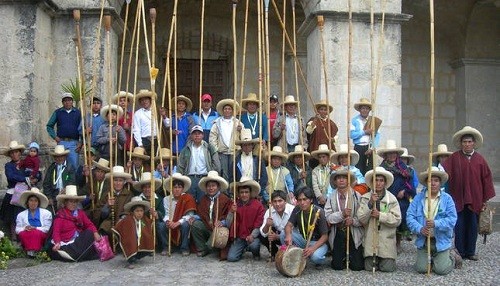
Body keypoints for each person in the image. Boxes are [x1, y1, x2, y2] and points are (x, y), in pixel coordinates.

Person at [442, 126, 495, 261]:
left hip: (475, 198)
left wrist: (484, 200)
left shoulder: (480, 160)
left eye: (469, 141)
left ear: (474, 143)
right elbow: (444, 175)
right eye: (464, 142)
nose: (467, 144)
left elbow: (486, 180)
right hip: (458, 197)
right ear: (461, 143)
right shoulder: (454, 158)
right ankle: (459, 251)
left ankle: (470, 251)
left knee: (472, 225)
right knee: (459, 225)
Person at [407, 167, 459, 275]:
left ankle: (451, 257)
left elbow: (452, 219)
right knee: (421, 269)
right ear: (426, 183)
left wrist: (436, 223)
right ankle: (431, 259)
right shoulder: (418, 198)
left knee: (441, 270)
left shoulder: (447, 199)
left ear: (440, 183)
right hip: (424, 241)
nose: (433, 184)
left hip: (441, 240)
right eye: (430, 181)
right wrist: (420, 228)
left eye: (436, 181)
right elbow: (409, 217)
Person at [357, 167, 401, 272]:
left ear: (385, 182)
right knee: (369, 268)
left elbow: (397, 219)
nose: (378, 183)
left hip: (386, 240)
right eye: (376, 180)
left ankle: (387, 259)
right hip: (370, 240)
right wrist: (370, 203)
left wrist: (380, 216)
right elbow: (361, 218)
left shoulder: (392, 199)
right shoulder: (365, 198)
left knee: (387, 268)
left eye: (381, 180)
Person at [378, 139, 416, 249]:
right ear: (385, 155)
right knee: (386, 216)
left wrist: (404, 191)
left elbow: (410, 183)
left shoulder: (403, 167)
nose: (392, 155)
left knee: (400, 216)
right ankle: (386, 241)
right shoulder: (381, 168)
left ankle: (398, 242)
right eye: (389, 153)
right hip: (386, 196)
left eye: (393, 153)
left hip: (400, 198)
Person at [324, 170, 364, 271]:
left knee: (357, 266)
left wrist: (353, 221)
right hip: (338, 231)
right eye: (338, 178)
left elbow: (363, 218)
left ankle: (352, 255)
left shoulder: (357, 196)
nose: (341, 180)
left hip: (353, 232)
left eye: (344, 177)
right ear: (335, 181)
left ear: (349, 180)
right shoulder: (331, 197)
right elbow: (328, 217)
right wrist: (341, 214)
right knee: (337, 266)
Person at [50, 185, 101, 262]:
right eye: (71, 201)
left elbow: (89, 224)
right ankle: (78, 254)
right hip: (67, 242)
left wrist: (95, 232)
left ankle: (77, 255)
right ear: (65, 202)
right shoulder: (60, 216)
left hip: (78, 240)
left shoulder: (80, 213)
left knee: (89, 233)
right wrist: (57, 243)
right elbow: (56, 232)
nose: (73, 204)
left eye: (75, 202)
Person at [282, 186, 329, 267]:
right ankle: (293, 257)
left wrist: (312, 249)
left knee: (315, 257)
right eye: (299, 200)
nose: (302, 202)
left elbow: (325, 236)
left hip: (317, 242)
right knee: (283, 234)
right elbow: (288, 225)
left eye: (305, 199)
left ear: (311, 200)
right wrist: (288, 235)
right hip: (304, 239)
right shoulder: (297, 209)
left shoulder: (318, 211)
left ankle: (322, 259)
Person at [190, 171, 233, 260]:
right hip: (207, 227)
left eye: (213, 186)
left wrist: (222, 222)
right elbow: (201, 214)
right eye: (209, 186)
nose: (211, 188)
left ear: (218, 187)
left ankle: (211, 247)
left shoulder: (225, 199)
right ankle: (202, 248)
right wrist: (194, 217)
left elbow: (228, 215)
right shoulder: (203, 199)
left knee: (214, 242)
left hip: (219, 229)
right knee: (195, 224)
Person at [178, 125, 221, 203]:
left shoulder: (209, 148)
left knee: (203, 201)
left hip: (204, 177)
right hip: (190, 178)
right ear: (191, 135)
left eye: (199, 133)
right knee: (190, 201)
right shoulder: (185, 149)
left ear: (203, 135)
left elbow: (216, 163)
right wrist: (182, 178)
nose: (197, 135)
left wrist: (212, 174)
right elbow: (181, 165)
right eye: (194, 133)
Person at [227, 177, 265, 262]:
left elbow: (259, 224)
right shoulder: (234, 205)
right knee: (231, 258)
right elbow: (228, 224)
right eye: (242, 192)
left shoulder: (258, 205)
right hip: (239, 237)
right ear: (239, 194)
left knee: (254, 245)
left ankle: (255, 253)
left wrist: (252, 236)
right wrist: (231, 212)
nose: (244, 195)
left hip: (252, 236)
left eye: (246, 192)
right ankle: (242, 249)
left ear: (250, 193)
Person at [0, 141, 31, 240]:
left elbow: (33, 174)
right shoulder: (9, 166)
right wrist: (25, 179)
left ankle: (24, 237)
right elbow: (11, 176)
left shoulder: (25, 164)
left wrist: (33, 177)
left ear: (20, 152)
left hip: (25, 191)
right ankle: (13, 237)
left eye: (16, 152)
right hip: (13, 191)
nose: (14, 154)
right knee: (12, 215)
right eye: (12, 153)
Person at [113, 196, 155, 269]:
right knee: (131, 240)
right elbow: (119, 227)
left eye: (141, 211)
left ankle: (137, 255)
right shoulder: (128, 219)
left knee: (147, 237)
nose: (139, 213)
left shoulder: (144, 218)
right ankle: (130, 259)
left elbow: (149, 223)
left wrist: (155, 216)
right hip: (130, 238)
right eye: (137, 211)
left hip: (139, 238)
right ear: (132, 212)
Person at [209, 98, 243, 185]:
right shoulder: (217, 122)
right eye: (225, 109)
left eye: (229, 109)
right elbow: (212, 137)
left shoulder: (238, 122)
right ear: (223, 110)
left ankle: (233, 191)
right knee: (224, 172)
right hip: (222, 152)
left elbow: (244, 137)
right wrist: (216, 149)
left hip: (234, 151)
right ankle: (225, 192)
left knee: (234, 172)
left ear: (232, 111)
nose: (227, 110)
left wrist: (240, 130)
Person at [46, 92, 82, 170]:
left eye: (69, 100)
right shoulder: (58, 112)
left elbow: (83, 128)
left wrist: (81, 142)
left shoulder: (78, 113)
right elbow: (49, 126)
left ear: (72, 101)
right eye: (65, 100)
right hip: (62, 142)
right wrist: (54, 137)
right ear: (62, 102)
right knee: (60, 165)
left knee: (74, 166)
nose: (67, 102)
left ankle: (73, 182)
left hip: (74, 143)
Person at [162, 173, 196, 256]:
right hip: (171, 220)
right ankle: (167, 247)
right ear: (171, 188)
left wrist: (178, 222)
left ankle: (184, 248)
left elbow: (189, 215)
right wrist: (168, 221)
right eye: (175, 187)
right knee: (160, 226)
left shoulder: (188, 198)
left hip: (182, 221)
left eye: (179, 187)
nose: (177, 189)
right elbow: (166, 213)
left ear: (183, 189)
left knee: (185, 225)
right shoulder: (166, 199)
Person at [133, 172, 166, 254]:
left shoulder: (159, 198)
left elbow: (163, 213)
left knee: (161, 225)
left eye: (149, 187)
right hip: (143, 221)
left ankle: (164, 246)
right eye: (145, 187)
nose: (147, 189)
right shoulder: (137, 199)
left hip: (156, 221)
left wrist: (157, 214)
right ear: (142, 188)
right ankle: (144, 247)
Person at [15, 188, 52, 256]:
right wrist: (24, 228)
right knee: (24, 233)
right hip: (27, 234)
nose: (33, 203)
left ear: (38, 203)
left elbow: (47, 229)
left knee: (35, 233)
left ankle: (37, 250)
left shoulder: (46, 213)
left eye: (35, 201)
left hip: (40, 234)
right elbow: (17, 230)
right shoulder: (21, 215)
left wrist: (35, 228)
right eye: (31, 200)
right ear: (27, 202)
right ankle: (29, 250)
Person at [234, 129, 268, 200]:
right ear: (241, 146)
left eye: (249, 144)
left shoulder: (258, 160)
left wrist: (259, 191)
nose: (247, 147)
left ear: (252, 146)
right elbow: (232, 177)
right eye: (244, 145)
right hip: (241, 192)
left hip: (254, 191)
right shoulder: (236, 160)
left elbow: (264, 177)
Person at [260, 190, 294, 260]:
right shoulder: (269, 211)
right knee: (263, 235)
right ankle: (274, 253)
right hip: (276, 235)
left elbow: (296, 231)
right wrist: (267, 225)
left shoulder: (292, 210)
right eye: (275, 201)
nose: (277, 204)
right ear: (272, 203)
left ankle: (293, 253)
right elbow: (263, 232)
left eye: (280, 201)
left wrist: (278, 237)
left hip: (290, 237)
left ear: (285, 201)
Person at [350, 98, 381, 175]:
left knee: (370, 170)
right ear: (359, 109)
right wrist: (364, 132)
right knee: (358, 169)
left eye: (367, 108)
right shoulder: (354, 120)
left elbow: (377, 136)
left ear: (369, 110)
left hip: (369, 147)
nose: (365, 110)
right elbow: (352, 135)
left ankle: (369, 186)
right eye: (363, 108)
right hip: (358, 148)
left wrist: (371, 148)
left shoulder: (374, 121)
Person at [99, 166, 133, 236]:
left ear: (124, 182)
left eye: (120, 180)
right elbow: (101, 215)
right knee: (104, 227)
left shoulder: (129, 194)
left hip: (123, 222)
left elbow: (129, 211)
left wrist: (122, 219)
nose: (118, 183)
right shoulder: (106, 194)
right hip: (109, 222)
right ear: (112, 181)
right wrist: (107, 205)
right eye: (115, 180)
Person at [42, 145, 77, 213]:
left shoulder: (70, 167)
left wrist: (66, 189)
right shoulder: (51, 168)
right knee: (48, 211)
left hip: (67, 195)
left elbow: (72, 181)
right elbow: (46, 184)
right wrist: (49, 197)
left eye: (61, 156)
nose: (59, 158)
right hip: (54, 195)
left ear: (65, 156)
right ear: (54, 157)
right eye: (57, 156)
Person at [306, 99, 338, 168]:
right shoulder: (313, 120)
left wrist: (333, 139)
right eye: (321, 109)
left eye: (325, 110)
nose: (323, 111)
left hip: (327, 149)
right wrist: (315, 120)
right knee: (315, 167)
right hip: (315, 148)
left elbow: (336, 135)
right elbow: (309, 131)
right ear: (318, 111)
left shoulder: (331, 123)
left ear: (327, 112)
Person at [81, 158, 110, 227]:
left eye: (102, 172)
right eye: (98, 171)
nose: (99, 174)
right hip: (91, 208)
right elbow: (82, 192)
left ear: (105, 173)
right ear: (95, 172)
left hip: (101, 208)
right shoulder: (92, 181)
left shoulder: (109, 184)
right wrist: (89, 198)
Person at [132, 89, 161, 156]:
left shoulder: (157, 111)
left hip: (156, 140)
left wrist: (164, 116)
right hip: (144, 140)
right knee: (145, 162)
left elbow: (166, 124)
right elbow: (136, 129)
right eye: (142, 100)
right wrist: (140, 144)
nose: (144, 102)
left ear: (150, 100)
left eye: (146, 99)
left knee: (156, 160)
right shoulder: (138, 113)